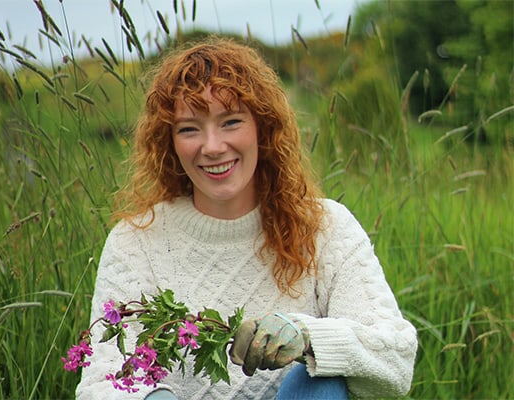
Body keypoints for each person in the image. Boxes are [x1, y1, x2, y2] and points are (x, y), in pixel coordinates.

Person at [76, 37, 417, 400]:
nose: (212, 146)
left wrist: (309, 337)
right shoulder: (136, 240)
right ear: (169, 142)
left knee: (322, 382)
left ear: (262, 128)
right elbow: (102, 381)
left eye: (231, 121)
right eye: (189, 128)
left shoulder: (326, 227)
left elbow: (395, 363)